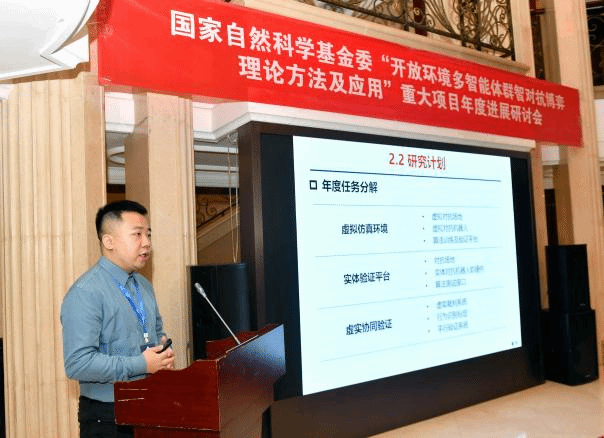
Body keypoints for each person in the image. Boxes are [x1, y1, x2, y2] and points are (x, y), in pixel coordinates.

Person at [61, 200, 175, 437]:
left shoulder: (143, 285)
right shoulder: (86, 292)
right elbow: (78, 363)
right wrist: (142, 364)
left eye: (148, 234)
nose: (147, 243)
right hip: (107, 416)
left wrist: (162, 351)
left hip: (149, 403)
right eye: (137, 234)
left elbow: (156, 330)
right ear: (109, 242)